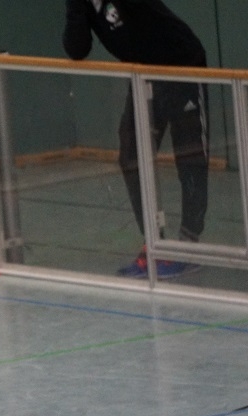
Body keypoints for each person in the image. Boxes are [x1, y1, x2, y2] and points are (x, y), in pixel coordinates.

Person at [63, 0, 209, 279]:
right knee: (131, 155)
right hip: (145, 76)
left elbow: (145, 28)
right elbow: (77, 49)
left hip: (182, 64)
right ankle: (154, 242)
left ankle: (189, 245)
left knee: (190, 155)